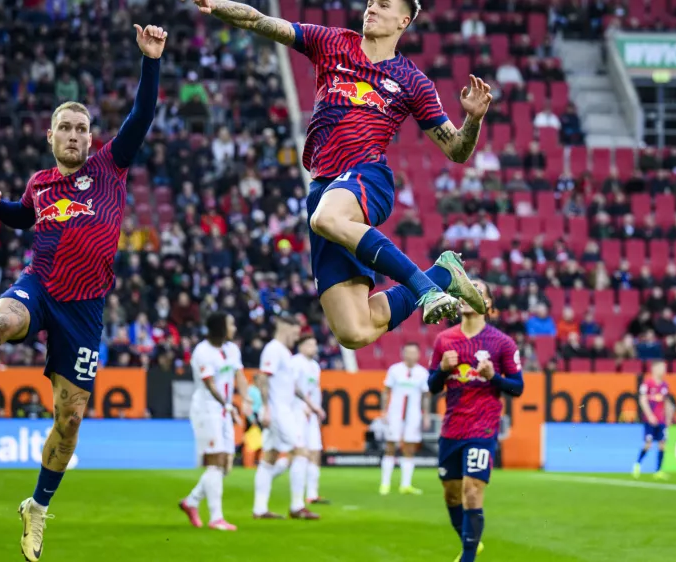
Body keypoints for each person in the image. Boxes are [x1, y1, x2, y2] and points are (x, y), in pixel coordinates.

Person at [0, 24, 167, 562]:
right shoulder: (40, 184)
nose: (73, 135)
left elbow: (142, 114)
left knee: (69, 421)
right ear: (50, 137)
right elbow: (25, 217)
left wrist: (150, 62)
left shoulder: (110, 167)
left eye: (81, 128)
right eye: (64, 127)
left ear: (91, 138)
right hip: (38, 286)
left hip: (85, 309)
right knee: (1, 323)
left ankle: (37, 508)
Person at [187, 0, 490, 351]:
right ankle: (443, 274)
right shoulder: (332, 43)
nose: (371, 8)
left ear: (403, 20)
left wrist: (473, 120)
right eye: (370, 2)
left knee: (327, 218)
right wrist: (215, 4)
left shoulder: (413, 82)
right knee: (354, 332)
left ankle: (425, 288)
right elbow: (259, 20)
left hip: (367, 175)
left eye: (383, 4)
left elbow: (456, 150)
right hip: (322, 187)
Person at [428, 280, 524, 562]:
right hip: (452, 427)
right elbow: (432, 387)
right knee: (452, 495)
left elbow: (517, 387)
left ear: (489, 304)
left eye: (477, 292)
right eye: (463, 291)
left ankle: (468, 556)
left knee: (472, 490)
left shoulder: (502, 343)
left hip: (482, 428)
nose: (467, 295)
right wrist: (443, 370)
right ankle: (471, 541)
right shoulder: (444, 340)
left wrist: (493, 377)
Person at [179, 312, 251, 531]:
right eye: (230, 324)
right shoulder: (202, 352)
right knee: (215, 462)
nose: (234, 327)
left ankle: (191, 502)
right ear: (220, 327)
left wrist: (245, 399)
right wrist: (228, 406)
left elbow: (239, 375)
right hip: (207, 411)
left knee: (225, 465)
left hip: (224, 412)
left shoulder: (231, 349)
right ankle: (216, 517)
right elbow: (210, 385)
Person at [253, 315, 319, 520]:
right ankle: (297, 506)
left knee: (270, 457)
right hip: (278, 411)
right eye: (296, 332)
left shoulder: (285, 353)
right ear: (286, 329)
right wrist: (266, 408)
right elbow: (263, 377)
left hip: (282, 410)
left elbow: (291, 385)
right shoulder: (273, 349)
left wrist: (310, 404)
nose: (297, 337)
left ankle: (259, 509)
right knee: (301, 452)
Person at [378, 341, 430, 496]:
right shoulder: (395, 370)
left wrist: (426, 415)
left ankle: (405, 484)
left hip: (413, 414)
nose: (411, 355)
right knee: (390, 446)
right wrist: (384, 411)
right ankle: (385, 483)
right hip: (395, 414)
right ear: (403, 353)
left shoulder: (422, 373)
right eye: (408, 352)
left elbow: (425, 396)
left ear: (418, 354)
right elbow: (386, 391)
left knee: (409, 448)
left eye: (414, 352)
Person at [292, 334, 329, 505]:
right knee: (301, 452)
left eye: (314, 344)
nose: (313, 348)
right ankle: (298, 495)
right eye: (309, 344)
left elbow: (315, 389)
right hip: (297, 411)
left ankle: (312, 493)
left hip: (312, 413)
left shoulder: (315, 366)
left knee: (315, 451)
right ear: (301, 346)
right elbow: (291, 386)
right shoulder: (295, 362)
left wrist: (317, 408)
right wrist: (307, 405)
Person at [633, 360, 671, 480]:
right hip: (650, 420)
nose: (664, 370)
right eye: (661, 368)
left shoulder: (665, 385)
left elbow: (666, 403)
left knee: (662, 444)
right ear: (654, 369)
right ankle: (637, 464)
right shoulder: (647, 384)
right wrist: (649, 415)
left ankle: (658, 470)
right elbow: (642, 400)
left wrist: (668, 418)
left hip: (661, 420)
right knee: (648, 444)